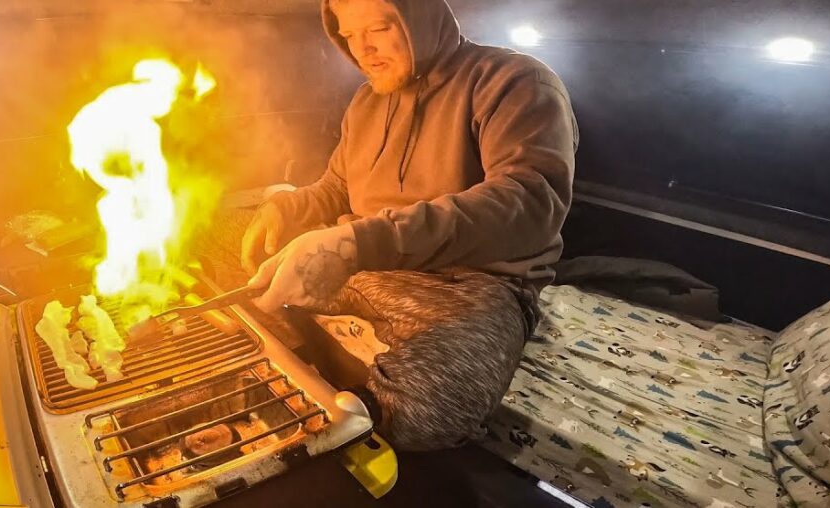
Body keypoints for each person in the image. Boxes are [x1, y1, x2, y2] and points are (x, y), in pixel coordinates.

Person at [242, 0, 578, 451]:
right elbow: (337, 188)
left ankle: (340, 430)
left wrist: (357, 242)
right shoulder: (366, 101)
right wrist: (287, 209)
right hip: (363, 267)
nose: (362, 49)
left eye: (379, 28)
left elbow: (529, 202)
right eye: (347, 35)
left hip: (463, 283)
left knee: (432, 398)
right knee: (228, 266)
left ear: (422, 16)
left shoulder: (514, 81)